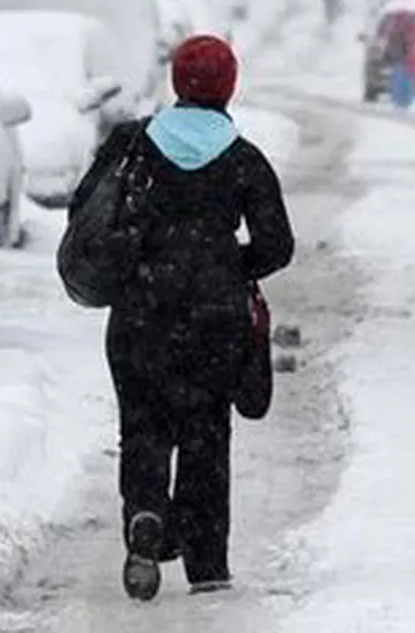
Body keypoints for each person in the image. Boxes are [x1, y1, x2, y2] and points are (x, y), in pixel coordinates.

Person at [68, 34, 295, 601]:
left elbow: (84, 212)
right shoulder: (243, 159)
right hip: (215, 323)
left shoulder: (131, 146)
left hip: (140, 314)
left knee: (142, 428)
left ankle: (145, 515)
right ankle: (207, 562)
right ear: (230, 86)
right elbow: (278, 244)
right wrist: (227, 263)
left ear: (176, 82)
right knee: (206, 436)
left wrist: (143, 253)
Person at [383, 11, 415, 110]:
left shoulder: (399, 27)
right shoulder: (396, 27)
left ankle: (402, 101)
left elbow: (412, 40)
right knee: (402, 79)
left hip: (404, 59)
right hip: (403, 59)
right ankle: (401, 101)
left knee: (403, 79)